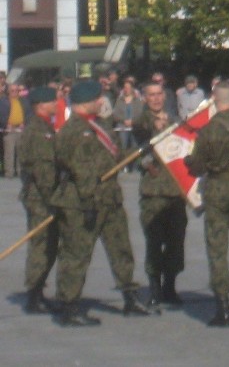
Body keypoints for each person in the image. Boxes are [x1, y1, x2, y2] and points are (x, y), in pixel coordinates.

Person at [52, 79, 151, 326]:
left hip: (109, 199)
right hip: (82, 203)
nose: (101, 102)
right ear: (87, 101)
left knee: (121, 248)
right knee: (76, 254)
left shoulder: (99, 126)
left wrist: (143, 156)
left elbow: (115, 155)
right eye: (98, 98)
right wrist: (88, 200)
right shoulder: (72, 130)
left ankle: (130, 296)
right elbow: (79, 168)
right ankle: (69, 306)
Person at [185, 81, 229, 327]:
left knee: (217, 249)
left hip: (217, 190)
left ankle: (223, 309)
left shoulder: (209, 130)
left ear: (214, 100)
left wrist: (188, 161)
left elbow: (197, 167)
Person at [132, 81, 188, 311]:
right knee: (154, 242)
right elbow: (140, 142)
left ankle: (170, 286)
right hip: (153, 191)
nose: (155, 99)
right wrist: (156, 127)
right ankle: (154, 288)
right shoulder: (141, 121)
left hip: (175, 191)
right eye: (151, 95)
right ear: (145, 98)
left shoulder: (175, 121)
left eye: (158, 95)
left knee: (175, 242)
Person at [18, 86, 60, 314]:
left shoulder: (45, 128)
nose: (56, 104)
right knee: (41, 246)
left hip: (44, 196)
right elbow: (43, 171)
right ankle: (33, 294)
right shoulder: (37, 130)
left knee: (49, 245)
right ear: (42, 104)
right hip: (40, 198)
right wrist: (54, 198)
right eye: (53, 101)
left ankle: (38, 291)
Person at [0, 83, 32, 178]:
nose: (15, 93)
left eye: (17, 90)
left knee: (20, 152)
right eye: (13, 90)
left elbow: (29, 114)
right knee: (9, 153)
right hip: (9, 130)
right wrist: (5, 124)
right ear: (8, 92)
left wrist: (24, 123)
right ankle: (9, 173)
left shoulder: (24, 101)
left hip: (21, 129)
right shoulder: (3, 102)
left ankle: (20, 172)